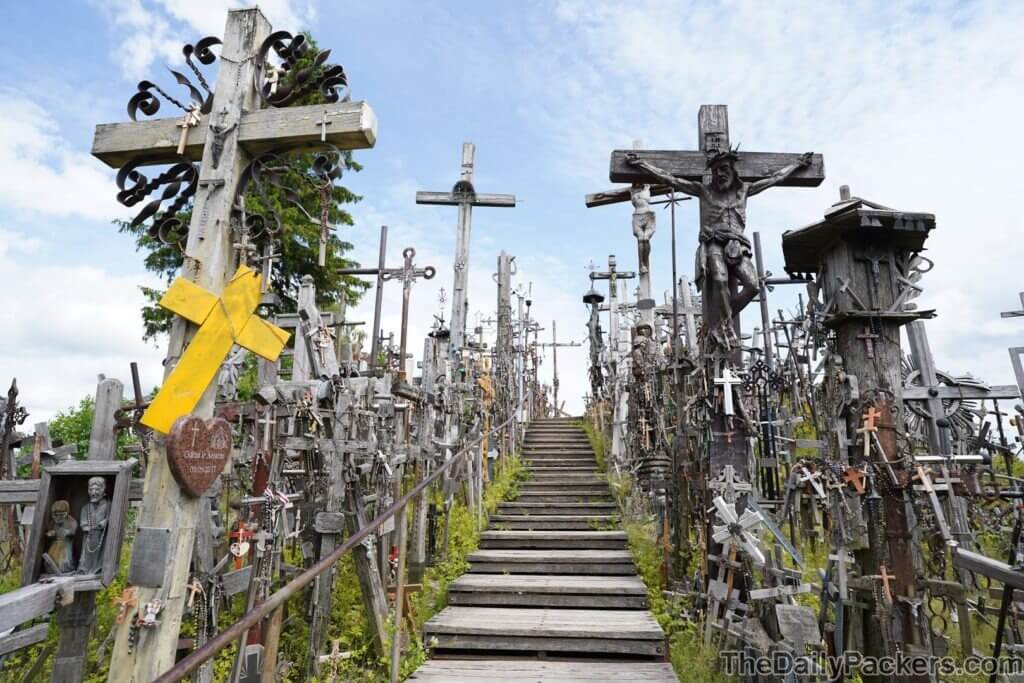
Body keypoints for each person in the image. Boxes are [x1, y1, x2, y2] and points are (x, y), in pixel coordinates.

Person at [628, 148, 812, 344]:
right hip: (714, 242)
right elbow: (670, 179)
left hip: (738, 243)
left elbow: (776, 178)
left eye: (723, 169)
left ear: (733, 170)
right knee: (720, 279)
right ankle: (725, 325)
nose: (719, 174)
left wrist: (798, 164)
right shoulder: (704, 191)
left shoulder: (744, 190)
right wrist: (642, 165)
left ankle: (721, 320)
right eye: (715, 171)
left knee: (753, 286)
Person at [77, 476, 110, 574]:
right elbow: (83, 523)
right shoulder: (85, 507)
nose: (93, 493)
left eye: (97, 489)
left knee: (101, 554)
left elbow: (112, 518)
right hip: (89, 537)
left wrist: (106, 521)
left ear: (103, 490)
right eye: (91, 489)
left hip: (102, 537)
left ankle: (98, 569)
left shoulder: (108, 505)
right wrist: (85, 527)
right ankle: (84, 569)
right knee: (86, 555)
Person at [44, 500, 77, 574]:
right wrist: (52, 533)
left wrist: (68, 532)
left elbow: (73, 530)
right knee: (51, 558)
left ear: (67, 513)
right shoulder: (53, 522)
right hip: (56, 543)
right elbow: (51, 529)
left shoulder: (71, 521)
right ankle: (51, 570)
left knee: (64, 560)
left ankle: (65, 570)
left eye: (61, 515)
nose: (58, 518)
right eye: (55, 515)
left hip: (66, 544)